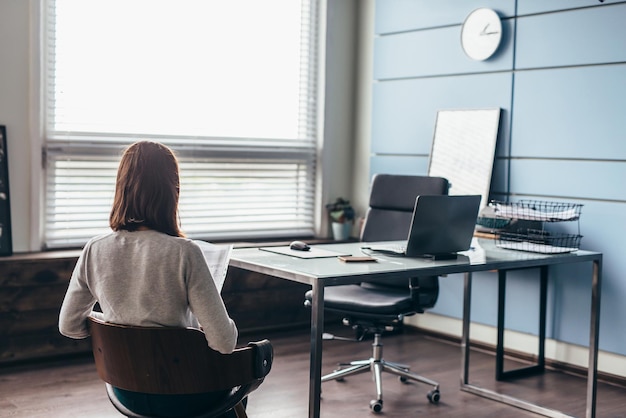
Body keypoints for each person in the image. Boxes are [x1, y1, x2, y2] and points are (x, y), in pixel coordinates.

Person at [59, 141, 239, 417]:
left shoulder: (95, 248)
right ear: (172, 192)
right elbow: (224, 343)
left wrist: (121, 324)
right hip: (184, 392)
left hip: (124, 391)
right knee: (235, 388)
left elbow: (69, 326)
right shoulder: (185, 253)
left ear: (122, 187)